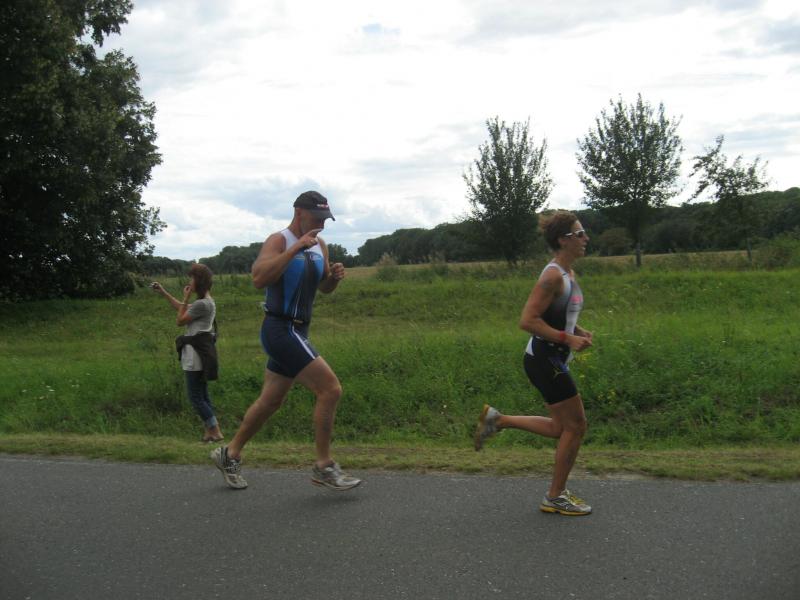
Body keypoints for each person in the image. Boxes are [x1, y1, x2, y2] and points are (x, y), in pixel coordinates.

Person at [210, 190, 361, 491]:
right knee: (330, 390)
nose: (321, 225)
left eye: (325, 220)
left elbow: (323, 287)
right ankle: (324, 466)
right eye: (317, 218)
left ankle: (230, 453)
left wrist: (333, 277)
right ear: (299, 213)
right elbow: (258, 279)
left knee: (271, 401)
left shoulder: (320, 245)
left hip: (299, 331)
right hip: (280, 328)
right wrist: (294, 249)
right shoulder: (279, 241)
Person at [474, 211, 594, 516]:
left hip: (551, 357)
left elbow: (558, 315)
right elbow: (528, 320)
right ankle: (555, 496)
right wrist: (568, 339)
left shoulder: (568, 273)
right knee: (576, 426)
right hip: (545, 359)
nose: (586, 238)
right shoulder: (552, 276)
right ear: (563, 240)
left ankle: (498, 420)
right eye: (580, 234)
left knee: (560, 428)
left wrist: (577, 331)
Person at [152, 263, 223, 443]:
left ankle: (215, 430)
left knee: (195, 397)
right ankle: (210, 432)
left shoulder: (202, 304)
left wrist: (185, 297)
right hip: (200, 353)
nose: (189, 282)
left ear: (199, 281)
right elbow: (182, 308)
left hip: (195, 355)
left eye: (192, 278)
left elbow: (180, 321)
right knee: (203, 395)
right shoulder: (207, 302)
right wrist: (164, 292)